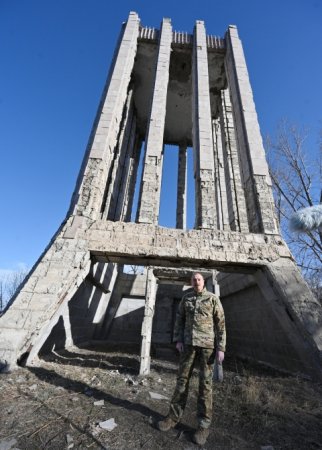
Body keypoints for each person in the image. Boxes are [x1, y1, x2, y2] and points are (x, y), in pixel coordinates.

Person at [157, 272, 226, 446]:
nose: (196, 281)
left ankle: (203, 426)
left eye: (199, 279)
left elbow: (221, 324)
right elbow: (179, 320)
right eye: (194, 279)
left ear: (204, 281)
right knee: (182, 381)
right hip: (187, 346)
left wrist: (221, 348)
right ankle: (173, 417)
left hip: (207, 348)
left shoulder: (212, 299)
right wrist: (178, 339)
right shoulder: (186, 299)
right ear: (191, 282)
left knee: (205, 386)